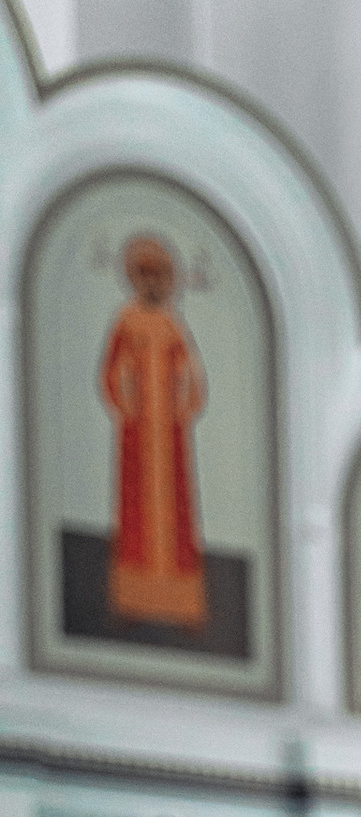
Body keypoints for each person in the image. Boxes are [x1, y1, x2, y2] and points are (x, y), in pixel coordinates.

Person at [99, 232, 208, 634]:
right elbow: (112, 370)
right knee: (136, 511)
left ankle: (181, 604)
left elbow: (191, 373)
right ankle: (133, 599)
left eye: (158, 275)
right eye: (143, 275)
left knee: (176, 513)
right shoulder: (126, 321)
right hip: (140, 435)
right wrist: (126, 403)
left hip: (170, 435)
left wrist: (186, 404)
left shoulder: (171, 324)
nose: (151, 283)